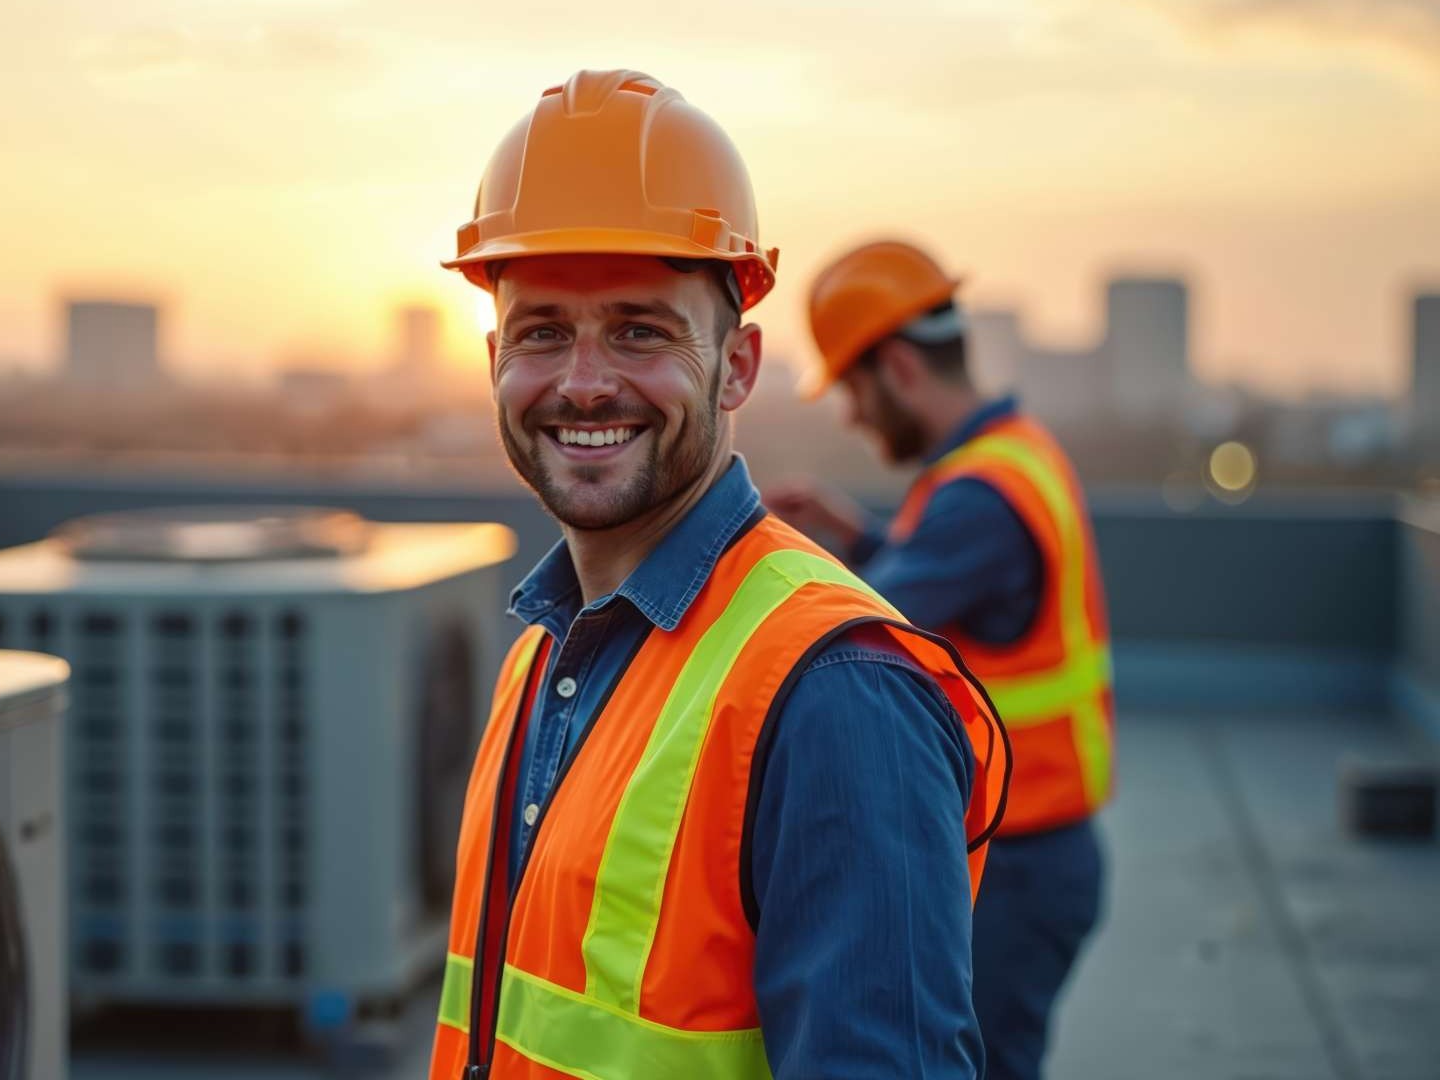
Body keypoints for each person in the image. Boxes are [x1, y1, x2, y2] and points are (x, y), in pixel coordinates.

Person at [428, 71, 1010, 1080]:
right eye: (542, 332)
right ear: (492, 361)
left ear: (736, 366)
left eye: (640, 330)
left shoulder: (835, 696)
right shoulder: (540, 656)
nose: (584, 381)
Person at [766, 239, 1114, 1080]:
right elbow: (969, 591)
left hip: (1020, 862)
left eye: (852, 388)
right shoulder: (1012, 455)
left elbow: (859, 629)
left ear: (896, 367)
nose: (851, 415)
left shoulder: (976, 498)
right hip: (1045, 846)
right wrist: (856, 529)